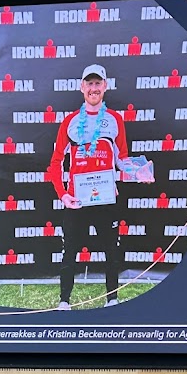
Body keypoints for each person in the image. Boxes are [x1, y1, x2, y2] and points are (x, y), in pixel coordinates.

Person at [47, 64, 128, 310]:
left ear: (105, 86)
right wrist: (63, 195)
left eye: (98, 83)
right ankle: (64, 301)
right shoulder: (70, 122)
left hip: (106, 200)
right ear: (82, 87)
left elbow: (122, 159)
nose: (94, 88)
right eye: (89, 83)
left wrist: (138, 173)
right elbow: (55, 162)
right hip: (77, 200)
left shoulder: (115, 120)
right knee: (69, 252)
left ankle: (112, 299)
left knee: (111, 252)